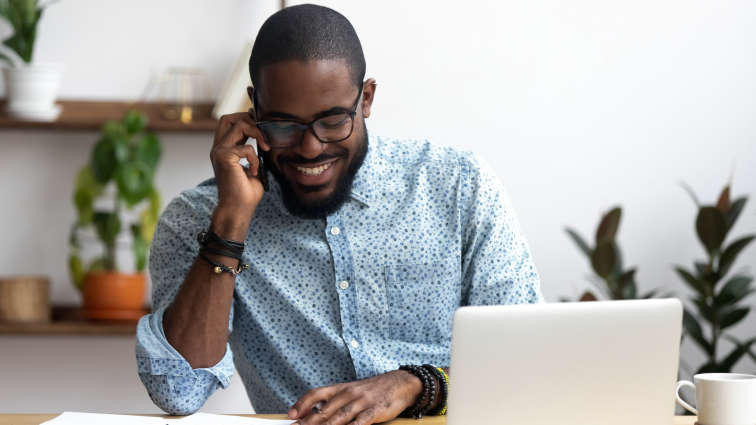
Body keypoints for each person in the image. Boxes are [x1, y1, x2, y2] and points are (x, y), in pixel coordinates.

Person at [135, 4, 542, 424]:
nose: (310, 148)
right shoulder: (199, 218)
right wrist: (230, 223)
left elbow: (527, 359)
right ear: (254, 109)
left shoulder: (458, 186)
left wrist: (415, 384)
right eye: (283, 124)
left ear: (365, 99)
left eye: (332, 122)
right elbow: (177, 391)